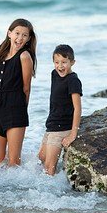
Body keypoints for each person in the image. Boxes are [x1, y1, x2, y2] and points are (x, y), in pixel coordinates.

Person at [0, 19, 37, 167]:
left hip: (15, 108)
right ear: (9, 33)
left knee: (14, 162)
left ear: (28, 39)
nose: (20, 38)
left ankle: (17, 190)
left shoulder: (24, 57)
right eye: (17, 33)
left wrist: (22, 110)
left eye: (24, 35)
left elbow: (26, 88)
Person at [38, 44, 82, 175]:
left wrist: (73, 134)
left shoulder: (73, 81)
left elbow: (78, 109)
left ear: (72, 62)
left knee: (49, 168)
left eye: (64, 62)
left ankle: (48, 193)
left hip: (62, 127)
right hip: (52, 124)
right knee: (41, 158)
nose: (60, 66)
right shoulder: (54, 74)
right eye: (56, 62)